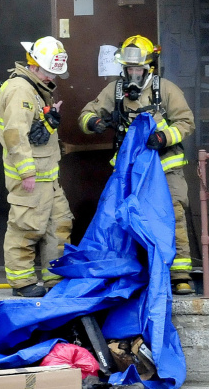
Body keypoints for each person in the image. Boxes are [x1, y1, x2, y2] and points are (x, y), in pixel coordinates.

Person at [78, 34, 196, 295]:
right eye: (129, 69)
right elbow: (86, 114)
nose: (133, 74)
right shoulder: (115, 90)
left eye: (138, 69)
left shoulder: (166, 90)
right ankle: (132, 272)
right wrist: (94, 123)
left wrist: (163, 137)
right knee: (124, 219)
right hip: (130, 172)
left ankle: (179, 275)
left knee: (172, 215)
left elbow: (186, 122)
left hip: (166, 168)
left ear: (149, 68)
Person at [0, 36, 74, 298]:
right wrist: (27, 171)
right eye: (52, 71)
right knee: (26, 227)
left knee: (58, 225)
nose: (55, 77)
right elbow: (15, 134)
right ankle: (22, 283)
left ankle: (56, 279)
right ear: (36, 66)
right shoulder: (20, 90)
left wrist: (49, 121)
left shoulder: (36, 88)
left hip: (48, 176)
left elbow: (34, 132)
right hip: (32, 176)